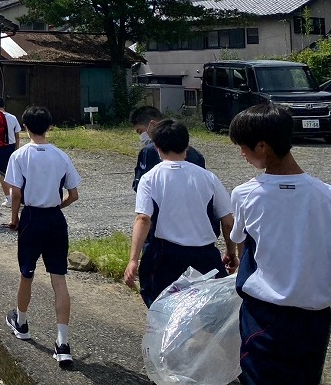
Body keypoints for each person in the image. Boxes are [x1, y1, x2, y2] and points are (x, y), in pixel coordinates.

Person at [227, 104, 331, 385]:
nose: (242, 154)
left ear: (262, 147)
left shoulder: (247, 194)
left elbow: (239, 240)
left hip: (266, 313)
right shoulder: (326, 195)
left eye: (243, 147)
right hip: (316, 319)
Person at [122, 119, 236, 307]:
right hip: (205, 256)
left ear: (157, 147)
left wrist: (133, 259)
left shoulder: (150, 178)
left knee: (163, 310)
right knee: (211, 311)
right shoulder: (208, 177)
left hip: (166, 256)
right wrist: (231, 252)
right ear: (187, 146)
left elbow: (143, 219)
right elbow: (228, 221)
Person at [4, 106, 81, 369]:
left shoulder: (20, 155)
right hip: (55, 220)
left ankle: (22, 322)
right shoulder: (61, 155)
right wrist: (56, 207)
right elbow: (74, 194)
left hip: (31, 218)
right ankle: (62, 343)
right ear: (49, 127)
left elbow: (16, 193)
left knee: (27, 272)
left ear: (25, 126)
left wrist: (15, 218)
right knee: (58, 277)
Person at [131, 105, 207, 191]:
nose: (141, 136)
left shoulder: (149, 151)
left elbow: (142, 188)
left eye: (140, 131)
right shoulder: (196, 155)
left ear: (153, 124)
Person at [0, 97, 21, 207]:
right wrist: (16, 149)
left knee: (2, 174)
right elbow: (17, 135)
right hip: (11, 147)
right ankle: (15, 196)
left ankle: (8, 198)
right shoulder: (13, 117)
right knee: (13, 172)